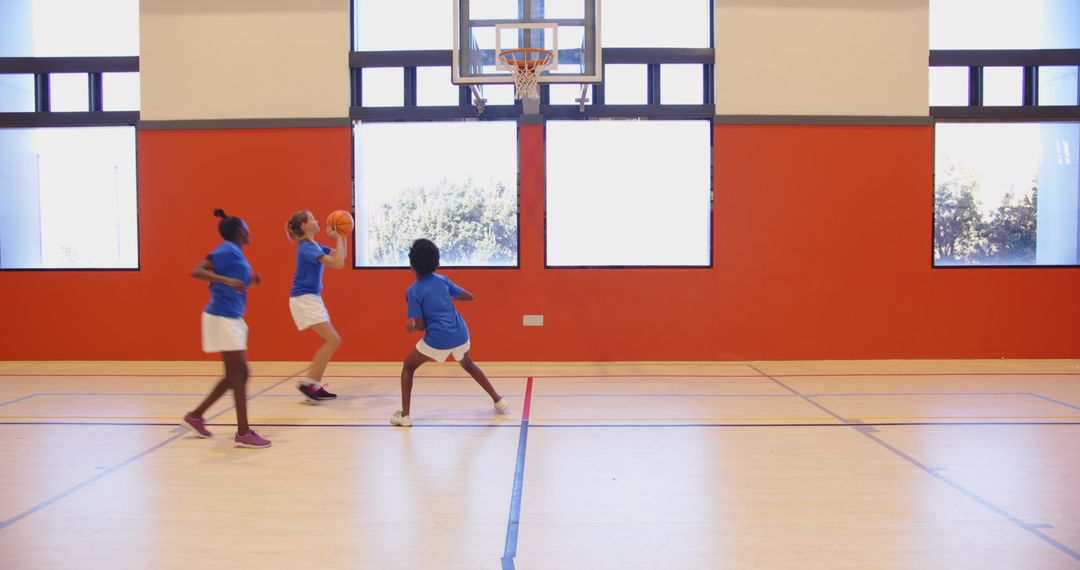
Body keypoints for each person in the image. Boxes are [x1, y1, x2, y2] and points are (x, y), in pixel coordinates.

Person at [392, 238, 509, 427]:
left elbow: (421, 327)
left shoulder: (412, 291)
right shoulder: (443, 280)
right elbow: (469, 297)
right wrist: (445, 301)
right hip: (460, 333)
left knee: (408, 367)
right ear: (437, 262)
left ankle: (404, 416)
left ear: (411, 264)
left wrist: (411, 327)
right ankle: (498, 400)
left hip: (438, 339)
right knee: (468, 364)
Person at [181, 209, 271, 448]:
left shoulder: (235, 252)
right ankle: (243, 432)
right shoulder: (225, 249)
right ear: (241, 231)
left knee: (235, 375)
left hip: (230, 316)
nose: (250, 231)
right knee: (241, 373)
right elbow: (196, 271)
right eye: (248, 228)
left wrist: (249, 282)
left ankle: (196, 416)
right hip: (221, 317)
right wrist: (227, 280)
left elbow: (235, 285)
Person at [285, 210, 346, 403]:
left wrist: (341, 237)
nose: (317, 220)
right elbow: (336, 264)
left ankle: (314, 385)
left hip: (310, 298)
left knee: (330, 341)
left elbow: (340, 258)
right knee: (333, 340)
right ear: (304, 225)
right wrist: (339, 237)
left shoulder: (315, 245)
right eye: (312, 218)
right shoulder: (306, 248)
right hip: (304, 299)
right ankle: (309, 384)